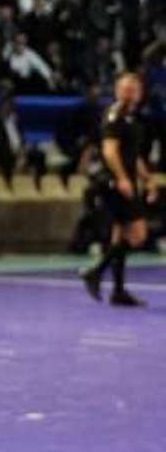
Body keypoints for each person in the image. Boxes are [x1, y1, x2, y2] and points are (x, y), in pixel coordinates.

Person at [81, 71, 158, 306]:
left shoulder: (131, 118)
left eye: (134, 89)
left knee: (120, 234)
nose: (130, 93)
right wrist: (122, 178)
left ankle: (118, 290)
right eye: (126, 89)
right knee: (138, 235)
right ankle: (95, 271)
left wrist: (147, 179)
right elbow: (110, 150)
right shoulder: (114, 115)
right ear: (117, 91)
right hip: (113, 182)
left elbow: (133, 156)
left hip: (126, 180)